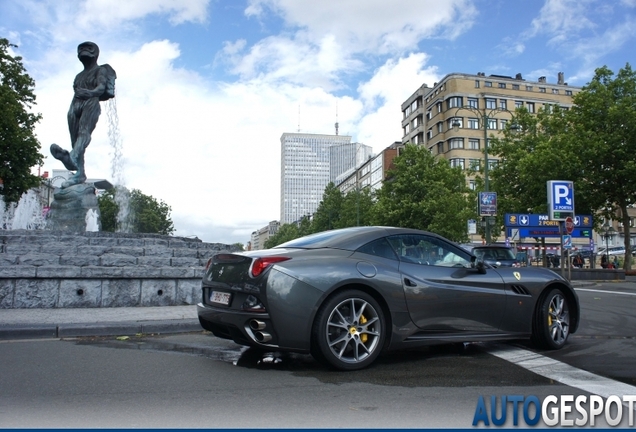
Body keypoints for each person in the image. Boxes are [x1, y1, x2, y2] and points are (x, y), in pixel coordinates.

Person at [51, 42, 116, 188]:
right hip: (75, 104)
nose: (84, 51)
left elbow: (101, 87)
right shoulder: (78, 76)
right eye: (81, 49)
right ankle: (79, 174)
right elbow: (76, 90)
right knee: (75, 140)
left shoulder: (100, 70)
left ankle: (72, 158)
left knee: (83, 132)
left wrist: (91, 93)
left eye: (88, 48)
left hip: (91, 102)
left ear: (96, 53)